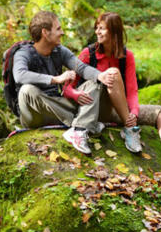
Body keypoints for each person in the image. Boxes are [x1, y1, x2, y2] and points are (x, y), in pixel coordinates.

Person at [64, 12, 161, 185]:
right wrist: (77, 95)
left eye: (102, 28)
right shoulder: (87, 54)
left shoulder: (127, 56)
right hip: (95, 109)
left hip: (119, 111)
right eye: (96, 28)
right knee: (113, 73)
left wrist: (133, 113)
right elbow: (67, 87)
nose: (97, 32)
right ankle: (130, 128)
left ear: (114, 31)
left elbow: (132, 91)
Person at [12, 11, 109, 155]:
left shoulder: (59, 51)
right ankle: (87, 124)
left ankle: (80, 129)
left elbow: (81, 68)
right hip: (34, 113)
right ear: (45, 32)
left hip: (58, 106)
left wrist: (100, 76)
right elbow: (19, 75)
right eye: (58, 29)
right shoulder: (23, 53)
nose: (62, 32)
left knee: (94, 84)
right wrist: (55, 79)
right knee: (27, 90)